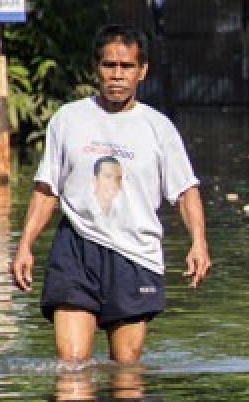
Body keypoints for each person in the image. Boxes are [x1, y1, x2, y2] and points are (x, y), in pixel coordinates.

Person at [11, 23, 210, 365]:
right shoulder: (68, 119)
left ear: (142, 71)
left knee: (126, 370)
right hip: (76, 248)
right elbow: (46, 189)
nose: (117, 75)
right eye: (109, 65)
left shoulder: (158, 128)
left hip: (135, 255)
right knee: (72, 366)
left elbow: (185, 191)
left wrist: (199, 242)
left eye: (127, 66)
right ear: (96, 68)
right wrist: (25, 245)